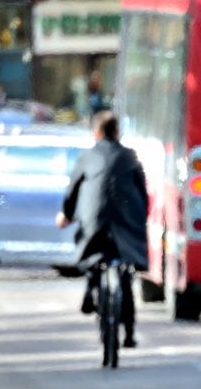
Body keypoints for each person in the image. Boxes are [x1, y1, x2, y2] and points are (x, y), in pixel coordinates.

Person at [55, 111, 148, 348]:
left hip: (94, 218)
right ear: (117, 132)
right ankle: (128, 334)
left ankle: (90, 287)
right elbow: (142, 192)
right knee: (126, 272)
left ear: (96, 133)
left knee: (90, 249)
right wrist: (140, 217)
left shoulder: (87, 157)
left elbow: (72, 191)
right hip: (126, 220)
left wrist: (66, 215)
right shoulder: (130, 156)